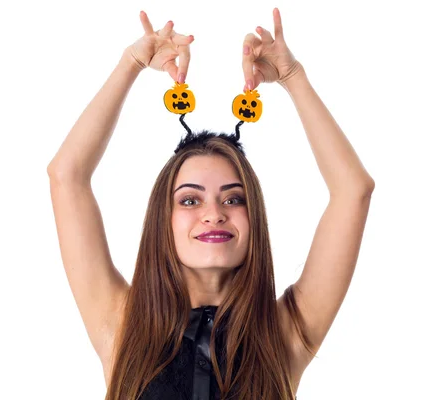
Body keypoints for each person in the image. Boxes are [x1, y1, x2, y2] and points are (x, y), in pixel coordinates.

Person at [47, 8, 375, 400]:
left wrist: (293, 79)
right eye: (190, 199)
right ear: (162, 221)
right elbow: (66, 176)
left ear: (254, 218)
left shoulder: (285, 333)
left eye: (233, 198)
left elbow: (353, 190)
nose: (213, 213)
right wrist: (131, 64)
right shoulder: (121, 324)